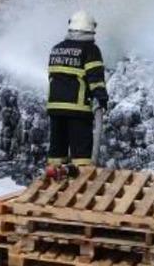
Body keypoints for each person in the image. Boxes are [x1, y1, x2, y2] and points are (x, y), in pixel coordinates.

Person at [46, 11, 108, 168]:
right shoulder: (90, 49)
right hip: (77, 109)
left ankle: (55, 182)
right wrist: (101, 99)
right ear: (89, 30)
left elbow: (52, 77)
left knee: (57, 151)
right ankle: (81, 183)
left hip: (55, 108)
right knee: (81, 155)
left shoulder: (57, 48)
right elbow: (96, 79)